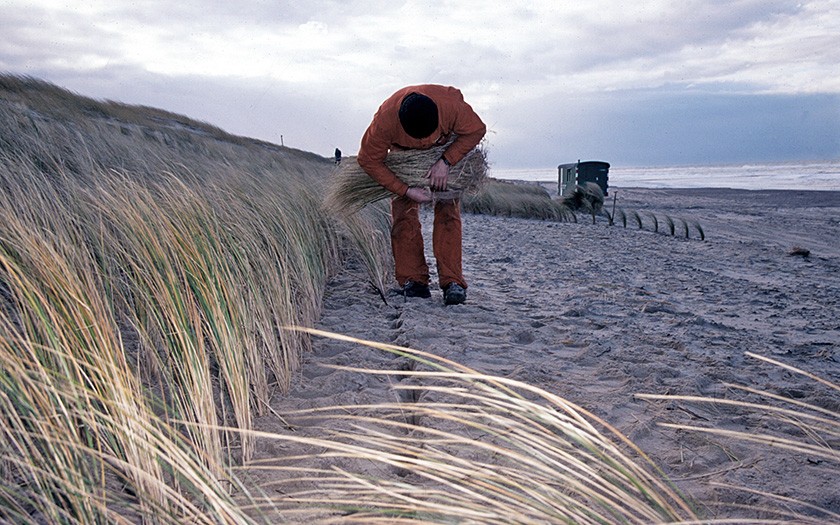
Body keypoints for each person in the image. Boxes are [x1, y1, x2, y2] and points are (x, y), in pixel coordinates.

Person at [357, 85, 486, 305]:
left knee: (448, 214)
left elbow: (477, 130)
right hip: (405, 159)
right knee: (403, 216)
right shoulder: (384, 121)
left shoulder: (452, 106)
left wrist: (446, 161)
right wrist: (405, 189)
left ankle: (452, 282)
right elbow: (368, 159)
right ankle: (413, 281)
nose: (424, 143)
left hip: (444, 149)